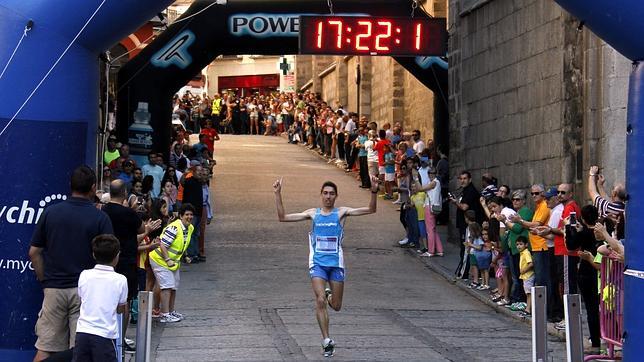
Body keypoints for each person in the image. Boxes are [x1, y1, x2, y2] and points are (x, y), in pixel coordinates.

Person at [273, 176, 379, 358]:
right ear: (321, 195)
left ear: (336, 196)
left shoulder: (341, 213)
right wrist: (277, 194)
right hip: (318, 264)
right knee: (320, 300)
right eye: (325, 193)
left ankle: (330, 295)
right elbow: (283, 218)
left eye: (331, 194)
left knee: (336, 306)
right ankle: (327, 340)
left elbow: (371, 209)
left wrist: (374, 191)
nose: (328, 197)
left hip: (336, 264)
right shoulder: (313, 214)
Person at [29, 165, 114, 361]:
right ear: (93, 188)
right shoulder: (100, 218)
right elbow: (110, 259)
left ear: (70, 185)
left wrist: (45, 281)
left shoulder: (51, 213)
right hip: (86, 294)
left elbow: (34, 252)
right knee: (81, 352)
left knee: (46, 347)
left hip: (54, 289)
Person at [102, 180, 145, 352]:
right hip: (126, 260)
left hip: (104, 259)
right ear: (125, 193)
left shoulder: (102, 210)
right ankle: (121, 337)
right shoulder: (129, 213)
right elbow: (142, 229)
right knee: (125, 301)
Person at [72, 234, 128, 362]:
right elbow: (120, 309)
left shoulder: (84, 275)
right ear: (117, 256)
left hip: (83, 333)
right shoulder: (121, 280)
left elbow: (82, 300)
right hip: (105, 336)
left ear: (94, 255)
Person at [148, 203, 196, 323]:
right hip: (160, 259)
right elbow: (162, 244)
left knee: (173, 287)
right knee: (167, 286)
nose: (189, 217)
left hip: (173, 262)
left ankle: (171, 311)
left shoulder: (190, 228)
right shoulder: (174, 228)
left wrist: (184, 256)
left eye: (191, 215)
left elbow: (182, 244)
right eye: (186, 215)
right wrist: (168, 260)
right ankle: (164, 314)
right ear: (181, 215)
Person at [516, 236, 534, 317]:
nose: (519, 246)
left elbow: (531, 263)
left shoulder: (526, 253)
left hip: (528, 275)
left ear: (526, 245)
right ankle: (528, 308)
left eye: (521, 244)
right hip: (525, 276)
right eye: (517, 244)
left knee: (529, 293)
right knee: (528, 293)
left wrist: (523, 270)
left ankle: (528, 309)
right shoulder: (522, 253)